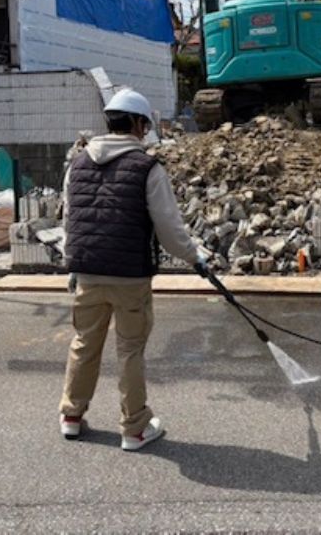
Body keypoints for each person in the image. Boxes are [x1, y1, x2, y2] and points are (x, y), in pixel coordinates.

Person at [59, 88, 204, 451]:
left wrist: (72, 264)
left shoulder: (78, 164)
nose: (146, 133)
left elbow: (70, 219)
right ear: (138, 124)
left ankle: (72, 415)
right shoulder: (147, 168)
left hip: (87, 270)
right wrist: (194, 258)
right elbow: (169, 229)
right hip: (129, 276)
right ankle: (135, 427)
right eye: (145, 126)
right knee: (130, 350)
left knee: (84, 344)